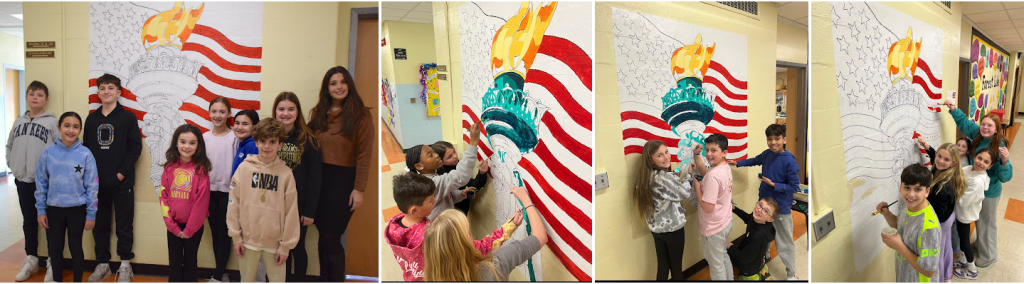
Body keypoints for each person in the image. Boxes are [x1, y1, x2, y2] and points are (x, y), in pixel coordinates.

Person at [385, 172, 520, 281]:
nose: (435, 201)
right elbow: (474, 249)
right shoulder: (432, 234)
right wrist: (509, 228)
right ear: (414, 210)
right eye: (431, 200)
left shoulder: (394, 228)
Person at [307, 66, 373, 281]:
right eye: (333, 83)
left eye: (343, 82)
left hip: (343, 182)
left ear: (349, 85)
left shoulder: (361, 116)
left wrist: (359, 189)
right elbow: (303, 139)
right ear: (326, 88)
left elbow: (364, 155)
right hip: (319, 180)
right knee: (322, 237)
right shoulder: (318, 114)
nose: (339, 87)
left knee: (331, 237)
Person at [84, 74, 142, 283]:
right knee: (100, 225)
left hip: (122, 183)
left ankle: (125, 265)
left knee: (124, 225)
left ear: (118, 92)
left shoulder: (127, 117)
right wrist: (90, 178)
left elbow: (135, 148)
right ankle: (102, 264)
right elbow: (86, 152)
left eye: (110, 87)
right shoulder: (91, 119)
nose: (106, 91)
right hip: (97, 185)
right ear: (98, 92)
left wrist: (121, 173)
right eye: (102, 88)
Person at [226, 118, 300, 282]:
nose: (267, 146)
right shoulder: (244, 168)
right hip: (247, 240)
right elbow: (233, 204)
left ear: (280, 144)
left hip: (276, 243)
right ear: (256, 142)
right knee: (247, 280)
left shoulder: (286, 174)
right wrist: (236, 237)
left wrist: (286, 246)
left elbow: (291, 211)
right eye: (262, 141)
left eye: (272, 142)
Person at [423, 186, 547, 281]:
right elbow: (540, 237)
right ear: (465, 243)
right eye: (468, 232)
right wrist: (525, 200)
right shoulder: (496, 264)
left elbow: (486, 245)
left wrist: (510, 226)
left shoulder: (435, 274)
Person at [944, 100, 1012, 267]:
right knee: (978, 218)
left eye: (990, 126)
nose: (985, 128)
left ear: (997, 129)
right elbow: (965, 124)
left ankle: (989, 255)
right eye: (983, 124)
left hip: (990, 192)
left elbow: (1005, 177)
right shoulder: (977, 134)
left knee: (986, 223)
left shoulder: (999, 146)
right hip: (976, 185)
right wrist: (954, 110)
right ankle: (981, 244)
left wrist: (1004, 161)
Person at [728, 124, 800, 280]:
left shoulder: (790, 161)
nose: (773, 142)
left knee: (784, 243)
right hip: (764, 207)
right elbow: (755, 160)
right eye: (770, 139)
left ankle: (791, 274)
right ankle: (764, 257)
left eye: (777, 139)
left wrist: (774, 185)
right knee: (762, 236)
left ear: (784, 139)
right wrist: (738, 163)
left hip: (780, 210)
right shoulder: (767, 154)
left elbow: (794, 186)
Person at [35, 111, 98, 282]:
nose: (71, 130)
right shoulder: (48, 154)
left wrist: (91, 214)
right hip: (53, 210)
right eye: (67, 126)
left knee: (76, 247)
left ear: (80, 130)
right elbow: (41, 184)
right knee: (55, 249)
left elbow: (93, 186)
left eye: (75, 127)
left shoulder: (86, 154)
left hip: (77, 210)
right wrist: (41, 210)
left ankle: (77, 280)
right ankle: (57, 279)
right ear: (59, 128)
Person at [8, 81, 59, 282]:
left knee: (49, 222)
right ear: (27, 97)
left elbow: (60, 149)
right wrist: (13, 165)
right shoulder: (18, 122)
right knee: (29, 221)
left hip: (46, 182)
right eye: (31, 94)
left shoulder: (51, 123)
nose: (35, 97)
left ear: (46, 99)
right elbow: (10, 145)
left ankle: (52, 264)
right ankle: (31, 259)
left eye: (39, 94)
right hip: (23, 181)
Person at [272, 92, 321, 282]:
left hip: (298, 207)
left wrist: (309, 211)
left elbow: (314, 178)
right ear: (275, 111)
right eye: (281, 109)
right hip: (274, 205)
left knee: (297, 248)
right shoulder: (269, 138)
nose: (286, 113)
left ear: (297, 111)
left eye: (290, 109)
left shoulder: (308, 140)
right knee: (276, 249)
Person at [630, 140, 693, 280]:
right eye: (659, 155)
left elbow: (661, 194)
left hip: (656, 229)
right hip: (673, 229)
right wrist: (688, 176)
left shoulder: (643, 178)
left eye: (666, 152)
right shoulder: (663, 178)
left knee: (663, 266)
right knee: (676, 269)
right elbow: (684, 193)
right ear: (650, 160)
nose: (666, 157)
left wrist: (673, 180)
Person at [159, 124, 212, 282]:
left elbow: (201, 204)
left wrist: (189, 229)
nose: (187, 146)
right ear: (176, 143)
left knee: (190, 262)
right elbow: (164, 198)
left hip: (193, 228)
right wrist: (172, 226)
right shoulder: (169, 168)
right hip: (173, 226)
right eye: (183, 142)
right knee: (174, 263)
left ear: (198, 145)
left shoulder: (201, 170)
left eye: (192, 143)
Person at [877, 164, 940, 282]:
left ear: (927, 191)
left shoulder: (929, 228)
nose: (911, 194)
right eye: (907, 188)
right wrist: (887, 214)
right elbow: (902, 227)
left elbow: (929, 271)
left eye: (917, 189)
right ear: (900, 187)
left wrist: (899, 246)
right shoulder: (907, 206)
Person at [406, 124, 480, 220]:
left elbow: (445, 196)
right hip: (441, 229)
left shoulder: (430, 177)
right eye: (430, 155)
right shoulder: (431, 183)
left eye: (434, 152)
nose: (436, 155)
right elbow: (460, 176)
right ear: (419, 166)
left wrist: (460, 194)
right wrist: (473, 142)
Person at [918, 141, 965, 281]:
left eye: (946, 159)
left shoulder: (942, 187)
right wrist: (927, 147)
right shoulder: (944, 168)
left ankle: (938, 278)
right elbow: (936, 159)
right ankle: (946, 275)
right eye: (939, 156)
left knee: (937, 251)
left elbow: (939, 214)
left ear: (953, 164)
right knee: (945, 247)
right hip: (948, 217)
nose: (940, 161)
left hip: (941, 220)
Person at [201, 98, 237, 283]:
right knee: (214, 232)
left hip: (228, 193)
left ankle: (219, 274)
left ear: (229, 114)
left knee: (224, 232)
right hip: (208, 192)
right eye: (214, 111)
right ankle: (221, 272)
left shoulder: (234, 138)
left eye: (222, 111)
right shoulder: (205, 138)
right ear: (209, 113)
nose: (218, 115)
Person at [693, 133, 734, 280]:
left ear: (724, 153)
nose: (709, 154)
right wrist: (697, 155)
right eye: (707, 149)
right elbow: (706, 172)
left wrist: (697, 187)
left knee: (716, 264)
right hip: (725, 221)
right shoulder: (723, 167)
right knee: (722, 256)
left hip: (714, 228)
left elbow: (708, 208)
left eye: (713, 150)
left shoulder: (713, 176)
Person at [953, 149, 995, 280]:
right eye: (979, 158)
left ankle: (971, 269)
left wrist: (953, 190)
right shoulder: (969, 168)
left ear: (990, 166)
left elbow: (963, 201)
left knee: (964, 242)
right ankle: (963, 259)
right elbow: (959, 175)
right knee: (962, 238)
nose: (981, 163)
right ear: (974, 157)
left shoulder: (978, 182)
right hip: (963, 212)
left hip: (965, 214)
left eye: (986, 162)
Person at [729, 198, 779, 281]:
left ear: (770, 219)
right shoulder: (759, 220)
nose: (759, 210)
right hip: (758, 260)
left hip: (749, 268)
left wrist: (730, 247)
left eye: (766, 211)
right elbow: (747, 218)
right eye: (760, 205)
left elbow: (744, 258)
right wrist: (734, 208)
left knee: (727, 253)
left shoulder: (758, 237)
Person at [432, 141, 489, 214]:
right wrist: (482, 174)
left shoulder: (456, 164)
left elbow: (471, 187)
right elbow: (474, 186)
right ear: (440, 161)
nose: (455, 156)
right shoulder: (444, 178)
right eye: (449, 156)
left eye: (454, 152)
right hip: (455, 214)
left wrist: (482, 173)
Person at [231, 110, 260, 175]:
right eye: (237, 123)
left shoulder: (252, 145)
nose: (240, 127)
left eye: (245, 124)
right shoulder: (243, 143)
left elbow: (253, 175)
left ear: (254, 126)